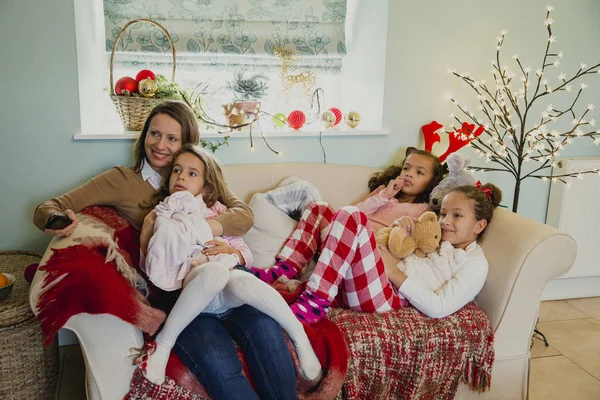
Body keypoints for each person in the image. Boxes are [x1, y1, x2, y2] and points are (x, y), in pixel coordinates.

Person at [33, 101, 298, 399]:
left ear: (186, 143)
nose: (160, 145)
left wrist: (214, 235)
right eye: (154, 134)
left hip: (230, 278)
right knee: (217, 362)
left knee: (268, 338)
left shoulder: (199, 173)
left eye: (172, 139)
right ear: (144, 135)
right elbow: (50, 206)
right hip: (182, 291)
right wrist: (55, 219)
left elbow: (244, 215)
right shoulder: (123, 180)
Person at [138, 145, 321, 387]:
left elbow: (246, 253)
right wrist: (145, 239)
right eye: (177, 171)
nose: (181, 176)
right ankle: (163, 344)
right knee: (214, 273)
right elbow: (155, 265)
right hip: (196, 288)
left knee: (242, 280)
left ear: (206, 186)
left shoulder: (220, 212)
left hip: (230, 287)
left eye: (192, 173)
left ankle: (299, 337)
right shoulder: (164, 213)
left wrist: (232, 251)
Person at [252, 148, 445, 323]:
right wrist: (384, 196)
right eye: (406, 168)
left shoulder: (423, 211)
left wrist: (402, 228)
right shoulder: (383, 194)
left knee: (351, 216)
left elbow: (414, 248)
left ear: (431, 184)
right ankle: (285, 269)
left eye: (419, 172)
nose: (409, 174)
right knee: (320, 208)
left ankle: (315, 301)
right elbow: (354, 212)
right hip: (345, 254)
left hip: (372, 270)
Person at [387, 183, 502, 318]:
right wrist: (396, 229)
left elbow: (439, 307)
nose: (445, 221)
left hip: (393, 291)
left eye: (457, 215)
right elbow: (399, 248)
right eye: (442, 213)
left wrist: (392, 271)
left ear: (479, 226)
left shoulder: (474, 263)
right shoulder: (432, 237)